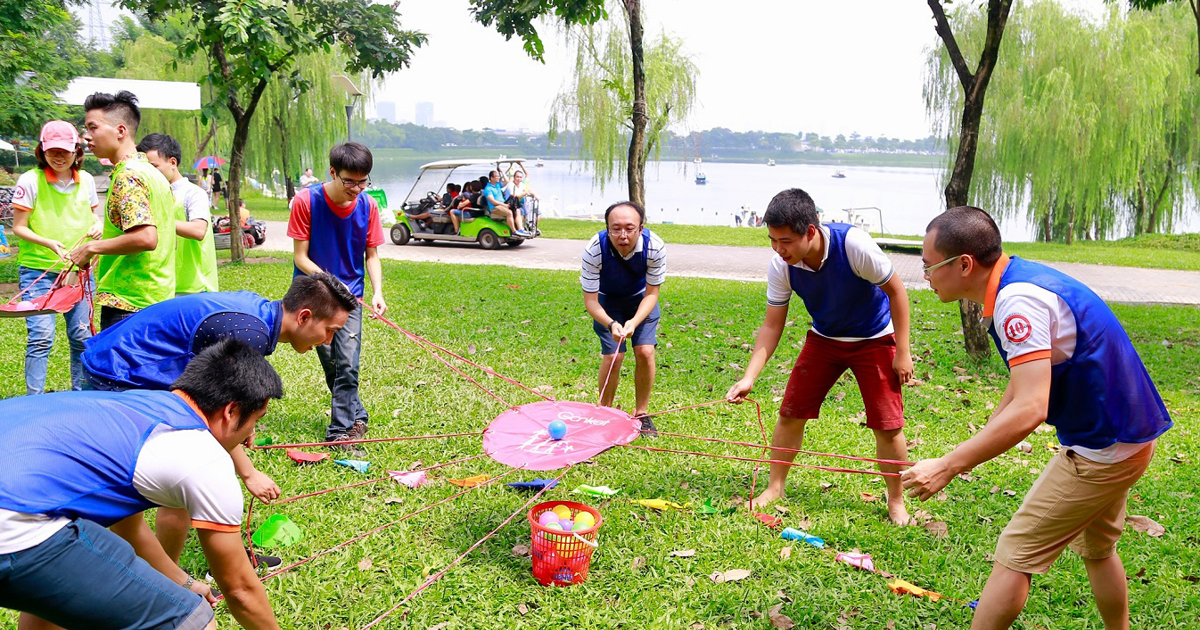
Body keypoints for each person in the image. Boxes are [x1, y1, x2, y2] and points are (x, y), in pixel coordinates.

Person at [901, 206, 1172, 630]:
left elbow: (1032, 407)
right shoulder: (1020, 277)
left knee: (1014, 555)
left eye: (928, 266)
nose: (926, 276)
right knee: (1098, 549)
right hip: (1129, 435)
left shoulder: (1017, 302)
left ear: (964, 264)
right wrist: (986, 433)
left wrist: (948, 465)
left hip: (1103, 451)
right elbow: (1025, 375)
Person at [0, 339, 286, 630]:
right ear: (231, 412)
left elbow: (128, 527)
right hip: (12, 525)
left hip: (20, 506)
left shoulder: (139, 404)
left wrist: (180, 581)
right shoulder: (203, 456)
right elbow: (240, 589)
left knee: (52, 600)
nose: (251, 434)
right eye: (256, 420)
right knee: (192, 620)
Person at [80, 272, 355, 564]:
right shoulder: (250, 335)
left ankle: (170, 574)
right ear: (304, 316)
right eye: (330, 330)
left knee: (176, 482)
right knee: (181, 480)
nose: (328, 341)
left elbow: (222, 411)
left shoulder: (260, 315)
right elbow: (214, 420)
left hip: (120, 363)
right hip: (117, 375)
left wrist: (244, 422)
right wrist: (249, 473)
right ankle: (170, 582)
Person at [726, 188, 914, 524]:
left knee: (887, 425)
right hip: (825, 338)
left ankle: (896, 501)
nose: (778, 249)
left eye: (785, 241)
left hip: (874, 338)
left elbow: (897, 292)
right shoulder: (781, 266)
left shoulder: (853, 245)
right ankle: (775, 486)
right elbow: (772, 326)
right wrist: (748, 377)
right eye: (772, 240)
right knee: (790, 412)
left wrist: (903, 351)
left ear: (810, 232)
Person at [288, 141, 387, 453]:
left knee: (347, 363)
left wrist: (378, 292)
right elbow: (300, 257)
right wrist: (330, 284)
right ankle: (357, 414)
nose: (356, 189)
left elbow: (372, 255)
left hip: (351, 298)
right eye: (349, 182)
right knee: (331, 364)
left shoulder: (368, 206)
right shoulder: (306, 201)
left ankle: (339, 432)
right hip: (314, 297)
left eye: (363, 181)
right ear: (332, 172)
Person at [68, 90, 176, 330]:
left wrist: (90, 247)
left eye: (93, 127)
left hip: (129, 303)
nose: (87, 137)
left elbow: (146, 238)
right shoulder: (152, 173)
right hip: (158, 297)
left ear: (120, 131)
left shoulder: (128, 175)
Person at [9, 120, 102, 394]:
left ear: (76, 151)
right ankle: (33, 400)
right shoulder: (29, 180)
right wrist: (48, 243)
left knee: (82, 336)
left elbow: (94, 215)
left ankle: (81, 395)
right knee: (41, 337)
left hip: (79, 271)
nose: (58, 157)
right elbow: (19, 227)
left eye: (64, 151)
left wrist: (97, 225)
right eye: (52, 151)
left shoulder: (86, 180)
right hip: (39, 271)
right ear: (42, 151)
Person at [581, 200, 666, 433]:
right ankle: (604, 412)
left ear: (641, 228)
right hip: (607, 302)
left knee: (645, 351)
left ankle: (642, 413)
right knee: (614, 356)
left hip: (641, 301)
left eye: (630, 228)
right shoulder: (594, 248)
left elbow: (652, 294)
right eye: (615, 228)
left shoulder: (654, 246)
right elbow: (591, 301)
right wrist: (611, 323)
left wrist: (633, 322)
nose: (623, 235)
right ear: (607, 228)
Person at [138, 133, 219, 296]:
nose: (149, 174)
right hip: (161, 286)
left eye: (154, 167)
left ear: (172, 162)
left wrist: (157, 221)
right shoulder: (150, 194)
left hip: (193, 289)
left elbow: (198, 230)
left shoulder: (193, 193)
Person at [483, 170, 529, 236]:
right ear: (491, 178)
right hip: (495, 207)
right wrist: (504, 205)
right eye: (497, 177)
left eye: (499, 176)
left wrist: (502, 171)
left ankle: (521, 229)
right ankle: (514, 231)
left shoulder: (497, 184)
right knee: (509, 212)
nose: (499, 178)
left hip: (502, 205)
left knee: (517, 210)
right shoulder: (488, 189)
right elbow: (493, 201)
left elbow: (507, 181)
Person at [504, 169, 539, 233]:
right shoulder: (511, 185)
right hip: (511, 204)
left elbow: (527, 190)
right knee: (519, 210)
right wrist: (524, 193)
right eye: (517, 177)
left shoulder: (522, 185)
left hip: (519, 203)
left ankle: (530, 227)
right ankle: (520, 229)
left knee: (534, 212)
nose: (519, 179)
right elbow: (515, 196)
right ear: (514, 177)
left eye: (520, 177)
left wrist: (534, 195)